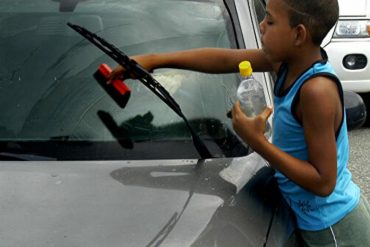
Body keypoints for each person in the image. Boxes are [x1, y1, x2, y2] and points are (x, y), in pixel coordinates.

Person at [108, 0, 370, 245]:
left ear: (298, 35)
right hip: (313, 218)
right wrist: (155, 60)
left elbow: (323, 183)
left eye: (269, 20)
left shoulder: (316, 91)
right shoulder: (285, 63)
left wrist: (256, 141)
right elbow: (224, 59)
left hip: (334, 226)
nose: (261, 25)